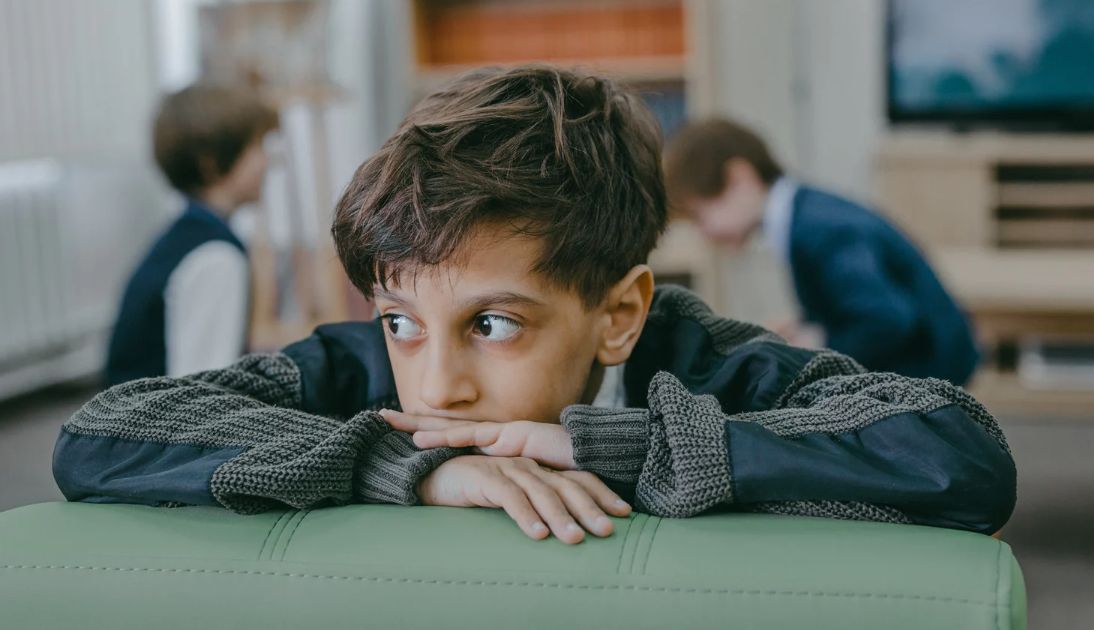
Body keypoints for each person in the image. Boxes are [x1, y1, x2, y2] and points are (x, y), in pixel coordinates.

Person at [55, 66, 1014, 545]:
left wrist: (623, 445)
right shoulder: (361, 372)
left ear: (618, 315)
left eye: (494, 324)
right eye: (403, 322)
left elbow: (960, 452)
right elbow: (101, 433)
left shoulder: (704, 358)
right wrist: (406, 466)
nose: (438, 383)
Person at [664, 119, 979, 385]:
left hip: (931, 369)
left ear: (739, 178)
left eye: (700, 216)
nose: (703, 233)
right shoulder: (805, 214)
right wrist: (807, 326)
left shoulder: (820, 230)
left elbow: (888, 320)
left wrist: (817, 343)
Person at [103, 84, 277, 386]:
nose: (267, 161)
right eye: (256, 147)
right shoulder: (215, 256)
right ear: (210, 164)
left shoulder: (186, 235)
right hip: (147, 427)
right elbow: (202, 391)